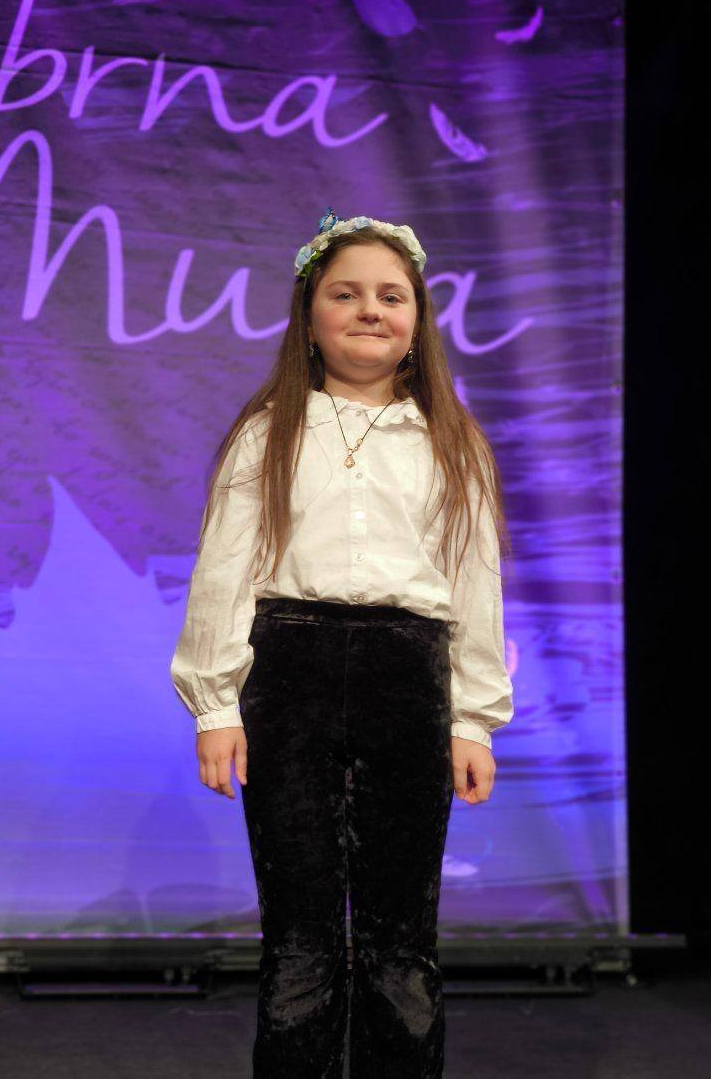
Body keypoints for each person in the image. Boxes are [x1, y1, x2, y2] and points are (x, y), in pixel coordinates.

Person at [170, 207, 514, 1078]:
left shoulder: (452, 442)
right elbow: (225, 569)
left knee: (401, 937)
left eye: (391, 296)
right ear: (310, 314)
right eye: (346, 293)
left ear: (417, 321)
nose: (370, 310)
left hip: (409, 676)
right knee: (301, 936)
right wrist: (215, 703)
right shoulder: (269, 431)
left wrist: (472, 719)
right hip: (291, 674)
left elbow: (474, 585)